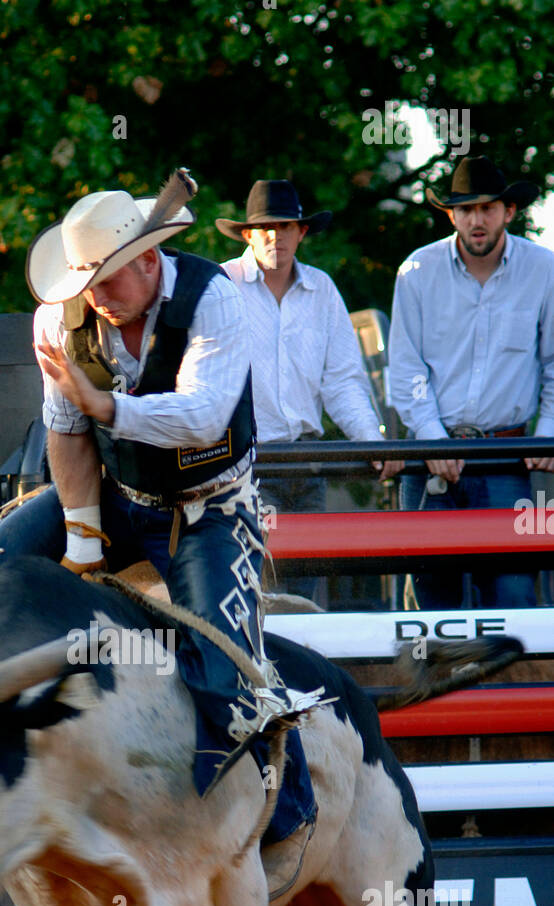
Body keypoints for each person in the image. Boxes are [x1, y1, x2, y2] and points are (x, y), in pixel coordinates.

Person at [0, 171, 316, 843]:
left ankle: (284, 819)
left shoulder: (214, 298)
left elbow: (202, 417)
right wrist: (80, 530)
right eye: (85, 282)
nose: (95, 296)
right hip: (115, 494)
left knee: (224, 678)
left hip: (208, 507)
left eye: (107, 280)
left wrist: (103, 404)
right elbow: (66, 432)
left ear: (146, 261)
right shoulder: (63, 312)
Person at [388, 155, 554, 610]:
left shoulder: (544, 269)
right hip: (430, 457)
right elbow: (405, 370)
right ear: (451, 214)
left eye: (487, 208)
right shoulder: (416, 271)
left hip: (506, 457)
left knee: (515, 594)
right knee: (430, 604)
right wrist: (433, 441)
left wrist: (546, 436)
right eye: (465, 209)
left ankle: (513, 686)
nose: (476, 220)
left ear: (509, 212)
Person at [216, 179, 384, 602]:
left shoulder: (322, 289)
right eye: (266, 228)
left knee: (304, 595)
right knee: (258, 590)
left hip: (309, 463)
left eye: (286, 226)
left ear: (302, 232)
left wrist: (372, 440)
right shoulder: (221, 285)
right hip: (246, 464)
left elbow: (343, 381)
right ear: (248, 234)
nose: (276, 236)